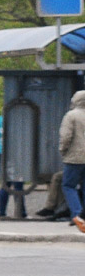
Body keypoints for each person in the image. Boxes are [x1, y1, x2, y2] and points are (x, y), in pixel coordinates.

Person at [57, 89, 85, 233]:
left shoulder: (71, 116)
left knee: (69, 186)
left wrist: (63, 151)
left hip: (74, 158)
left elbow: (66, 136)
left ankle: (77, 214)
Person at [0, 114, 26, 219]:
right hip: (17, 152)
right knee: (18, 182)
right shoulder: (21, 119)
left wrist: (0, 144)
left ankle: (1, 212)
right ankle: (21, 212)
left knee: (5, 184)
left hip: (2, 152)